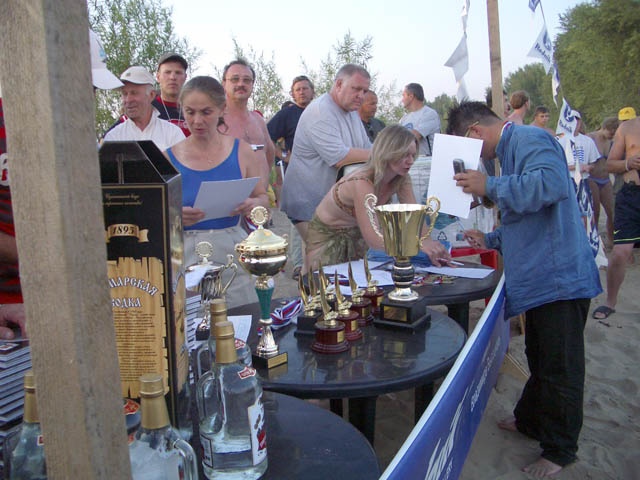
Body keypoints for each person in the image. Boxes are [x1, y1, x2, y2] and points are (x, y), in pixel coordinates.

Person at [449, 101, 601, 476]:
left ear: (474, 132)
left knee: (560, 367)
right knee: (541, 356)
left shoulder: (529, 138)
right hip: (543, 278)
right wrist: (489, 239)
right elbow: (526, 219)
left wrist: (489, 185)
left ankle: (560, 451)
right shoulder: (511, 149)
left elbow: (550, 186)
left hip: (559, 278)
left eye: (466, 146)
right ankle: (530, 421)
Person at [163, 76, 269, 308]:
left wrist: (253, 204)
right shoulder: (167, 158)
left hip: (232, 251)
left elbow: (263, 198)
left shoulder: (241, 150)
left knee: (242, 319)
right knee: (195, 324)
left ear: (222, 109)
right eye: (190, 112)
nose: (197, 120)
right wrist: (174, 215)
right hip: (186, 254)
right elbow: (155, 213)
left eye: (206, 112)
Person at [305, 125, 449, 268]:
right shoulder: (362, 182)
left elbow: (415, 218)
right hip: (328, 239)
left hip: (359, 237)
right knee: (323, 281)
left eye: (413, 155)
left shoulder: (402, 179)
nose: (411, 161)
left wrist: (429, 245)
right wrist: (418, 244)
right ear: (388, 152)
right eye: (405, 155)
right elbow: (374, 239)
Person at [280, 64, 372, 272]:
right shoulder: (321, 111)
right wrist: (386, 155)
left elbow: (366, 148)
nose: (361, 96)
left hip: (330, 203)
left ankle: (309, 291)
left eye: (365, 91)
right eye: (356, 89)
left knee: (322, 264)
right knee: (328, 265)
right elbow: (340, 157)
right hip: (308, 204)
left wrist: (386, 152)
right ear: (338, 84)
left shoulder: (351, 112)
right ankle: (311, 292)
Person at [267, 75, 315, 280]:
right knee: (300, 217)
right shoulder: (287, 114)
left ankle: (317, 262)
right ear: (293, 94)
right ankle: (299, 264)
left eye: (305, 88)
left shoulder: (320, 111)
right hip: (297, 174)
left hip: (323, 173)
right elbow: (267, 137)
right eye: (298, 89)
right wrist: (285, 155)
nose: (302, 92)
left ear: (313, 91)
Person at [593, 110, 640, 320]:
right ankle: (610, 302)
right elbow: (610, 164)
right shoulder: (627, 128)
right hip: (631, 195)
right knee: (620, 253)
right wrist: (628, 163)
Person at [103, 66, 185, 151]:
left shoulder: (173, 134)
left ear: (151, 95)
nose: (128, 100)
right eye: (124, 94)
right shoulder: (113, 137)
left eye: (134, 93)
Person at [221, 59, 274, 191]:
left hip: (261, 199)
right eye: (235, 79)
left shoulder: (258, 120)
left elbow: (269, 154)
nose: (241, 84)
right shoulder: (215, 120)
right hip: (228, 199)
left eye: (247, 80)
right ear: (224, 84)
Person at [587, 117, 619, 246]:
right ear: (604, 128)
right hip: (592, 178)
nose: (612, 136)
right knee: (595, 211)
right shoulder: (590, 138)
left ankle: (611, 239)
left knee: (612, 211)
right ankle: (595, 241)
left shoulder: (612, 141)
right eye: (611, 133)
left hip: (606, 178)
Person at [154, 52, 190, 136]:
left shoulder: (195, 110)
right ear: (158, 77)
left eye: (178, 72)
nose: (172, 77)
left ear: (185, 77)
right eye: (167, 72)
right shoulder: (148, 110)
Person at [399, 83, 439, 156]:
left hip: (425, 161)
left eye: (404, 96)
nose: (402, 100)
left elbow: (414, 137)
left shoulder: (429, 113)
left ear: (411, 96)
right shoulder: (404, 119)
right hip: (408, 161)